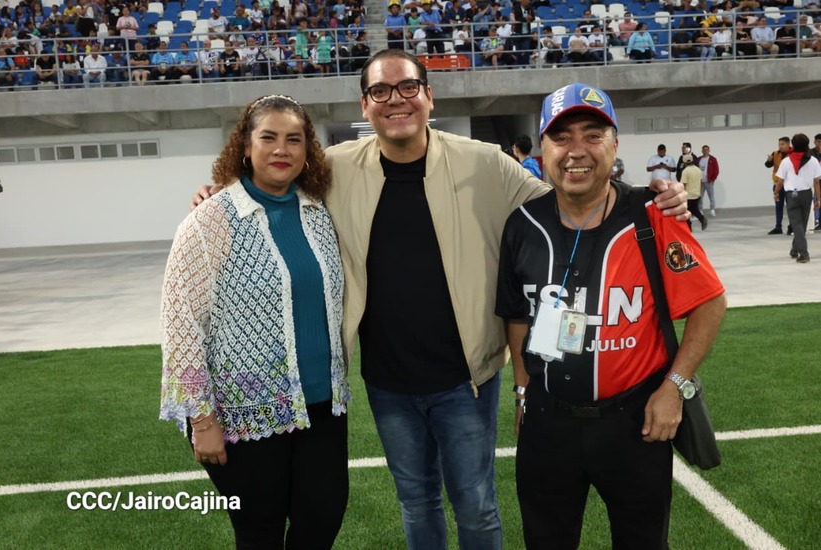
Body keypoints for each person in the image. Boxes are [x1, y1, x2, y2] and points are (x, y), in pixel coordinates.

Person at [191, 50, 690, 550]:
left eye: (408, 87)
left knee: (476, 505)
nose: (396, 100)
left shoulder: (483, 162)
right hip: (388, 381)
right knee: (417, 502)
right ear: (365, 106)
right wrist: (221, 194)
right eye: (380, 91)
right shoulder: (337, 167)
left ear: (429, 97)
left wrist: (649, 198)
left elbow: (566, 191)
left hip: (466, 380)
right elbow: (273, 177)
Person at [496, 82, 726, 549]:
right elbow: (517, 315)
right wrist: (522, 391)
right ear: (542, 149)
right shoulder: (522, 224)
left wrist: (674, 387)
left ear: (615, 145)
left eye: (593, 134)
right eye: (561, 137)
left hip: (635, 421)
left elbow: (710, 301)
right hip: (547, 423)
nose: (576, 151)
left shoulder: (652, 214)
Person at [161, 94, 351, 549]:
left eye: (294, 139)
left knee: (322, 519)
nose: (281, 149)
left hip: (322, 407)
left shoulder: (321, 211)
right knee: (259, 533)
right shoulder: (208, 222)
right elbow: (180, 324)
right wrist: (201, 420)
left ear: (308, 150)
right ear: (245, 147)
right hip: (242, 415)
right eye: (269, 137)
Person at [773, 133, 821, 263]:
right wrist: (818, 198)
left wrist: (775, 193)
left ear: (793, 145)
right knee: (801, 224)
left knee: (797, 224)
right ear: (807, 145)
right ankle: (794, 250)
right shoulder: (813, 161)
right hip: (807, 194)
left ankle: (804, 254)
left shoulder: (786, 161)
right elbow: (816, 182)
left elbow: (780, 181)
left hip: (792, 195)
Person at [765, 136, 792, 235]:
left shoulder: (793, 154)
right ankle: (778, 227)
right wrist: (769, 161)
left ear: (788, 144)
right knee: (778, 206)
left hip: (789, 184)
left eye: (782, 144)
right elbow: (768, 165)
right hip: (777, 184)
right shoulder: (775, 154)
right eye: (779, 144)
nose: (780, 146)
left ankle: (792, 226)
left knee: (791, 207)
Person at [681, 152, 707, 230]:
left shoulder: (685, 171)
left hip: (688, 195)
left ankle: (689, 227)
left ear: (684, 162)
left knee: (686, 211)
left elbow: (683, 184)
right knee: (694, 209)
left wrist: (681, 194)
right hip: (697, 194)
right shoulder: (698, 170)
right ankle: (702, 219)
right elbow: (701, 182)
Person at [699, 144, 720, 216]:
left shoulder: (713, 159)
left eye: (706, 150)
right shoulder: (699, 159)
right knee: (700, 197)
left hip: (709, 182)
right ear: (702, 151)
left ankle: (712, 209)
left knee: (711, 196)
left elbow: (716, 170)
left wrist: (712, 179)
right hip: (700, 182)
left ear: (709, 150)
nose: (705, 151)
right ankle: (700, 210)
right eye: (704, 150)